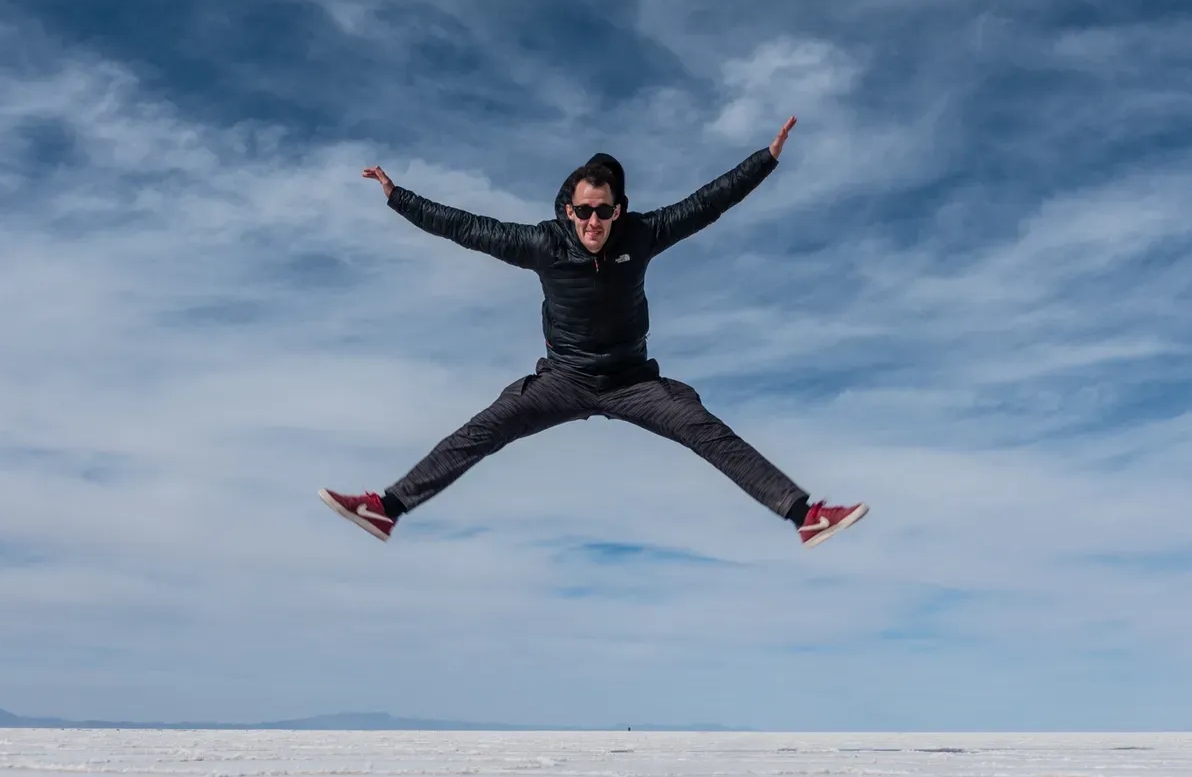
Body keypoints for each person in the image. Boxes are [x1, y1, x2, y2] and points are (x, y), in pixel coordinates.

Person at [320, 116, 867, 549]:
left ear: (618, 210)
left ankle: (805, 516)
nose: (593, 222)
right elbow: (467, 228)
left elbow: (707, 204)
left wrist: (765, 160)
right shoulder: (544, 243)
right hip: (565, 377)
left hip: (633, 380)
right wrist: (398, 197)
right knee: (486, 428)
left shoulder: (643, 233)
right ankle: (387, 508)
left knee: (705, 430)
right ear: (569, 210)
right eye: (583, 211)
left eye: (603, 212)